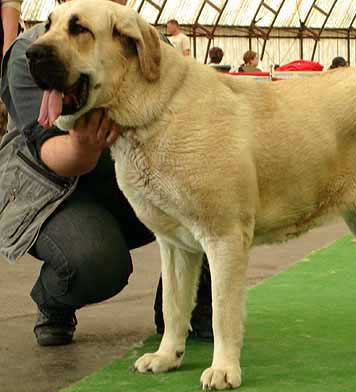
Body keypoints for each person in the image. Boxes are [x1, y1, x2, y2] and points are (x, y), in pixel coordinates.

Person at [0, 0, 212, 347]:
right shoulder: (31, 52)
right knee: (95, 260)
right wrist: (83, 144)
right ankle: (54, 299)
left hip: (130, 178)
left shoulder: (149, 42)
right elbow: (45, 151)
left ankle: (186, 308)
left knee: (204, 195)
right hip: (54, 193)